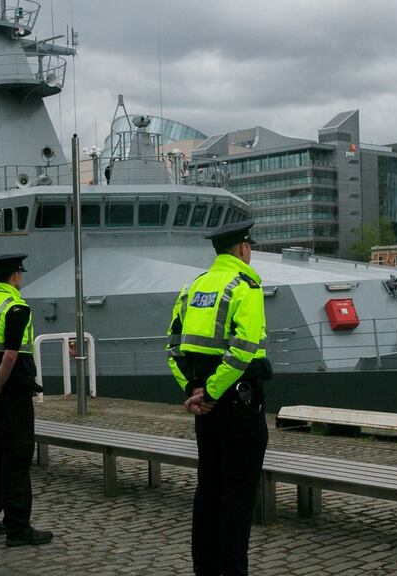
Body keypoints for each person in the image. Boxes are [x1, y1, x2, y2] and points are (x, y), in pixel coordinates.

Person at [165, 220, 270, 576]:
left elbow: (172, 347)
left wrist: (192, 392)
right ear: (242, 249)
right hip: (238, 408)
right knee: (238, 497)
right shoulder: (246, 286)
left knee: (208, 489)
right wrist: (211, 392)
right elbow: (243, 351)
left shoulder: (192, 288)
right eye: (249, 247)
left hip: (204, 411)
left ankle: (205, 569)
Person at [0, 254, 52, 547]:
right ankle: (18, 529)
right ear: (16, 276)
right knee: (17, 458)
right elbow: (11, 354)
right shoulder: (16, 307)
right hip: (11, 395)